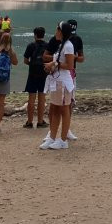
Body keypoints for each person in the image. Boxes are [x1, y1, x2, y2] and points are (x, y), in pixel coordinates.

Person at [40, 22, 76, 150]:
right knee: (55, 109)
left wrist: (54, 65)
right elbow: (59, 62)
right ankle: (52, 137)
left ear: (61, 31)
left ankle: (63, 140)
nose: (55, 32)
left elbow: (70, 66)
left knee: (64, 110)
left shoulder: (68, 46)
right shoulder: (62, 45)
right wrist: (52, 64)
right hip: (57, 81)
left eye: (57, 29)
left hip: (63, 82)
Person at [23, 27, 48, 129]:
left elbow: (25, 60)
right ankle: (40, 121)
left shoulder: (31, 45)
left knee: (31, 99)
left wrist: (31, 65)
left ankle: (29, 122)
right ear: (43, 34)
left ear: (35, 35)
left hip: (32, 74)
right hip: (44, 74)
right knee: (42, 99)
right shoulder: (47, 46)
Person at [64, 18, 85, 142]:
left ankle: (66, 129)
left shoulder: (77, 39)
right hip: (60, 72)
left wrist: (74, 57)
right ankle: (55, 130)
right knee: (58, 103)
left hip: (71, 72)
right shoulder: (61, 38)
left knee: (70, 102)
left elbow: (82, 58)